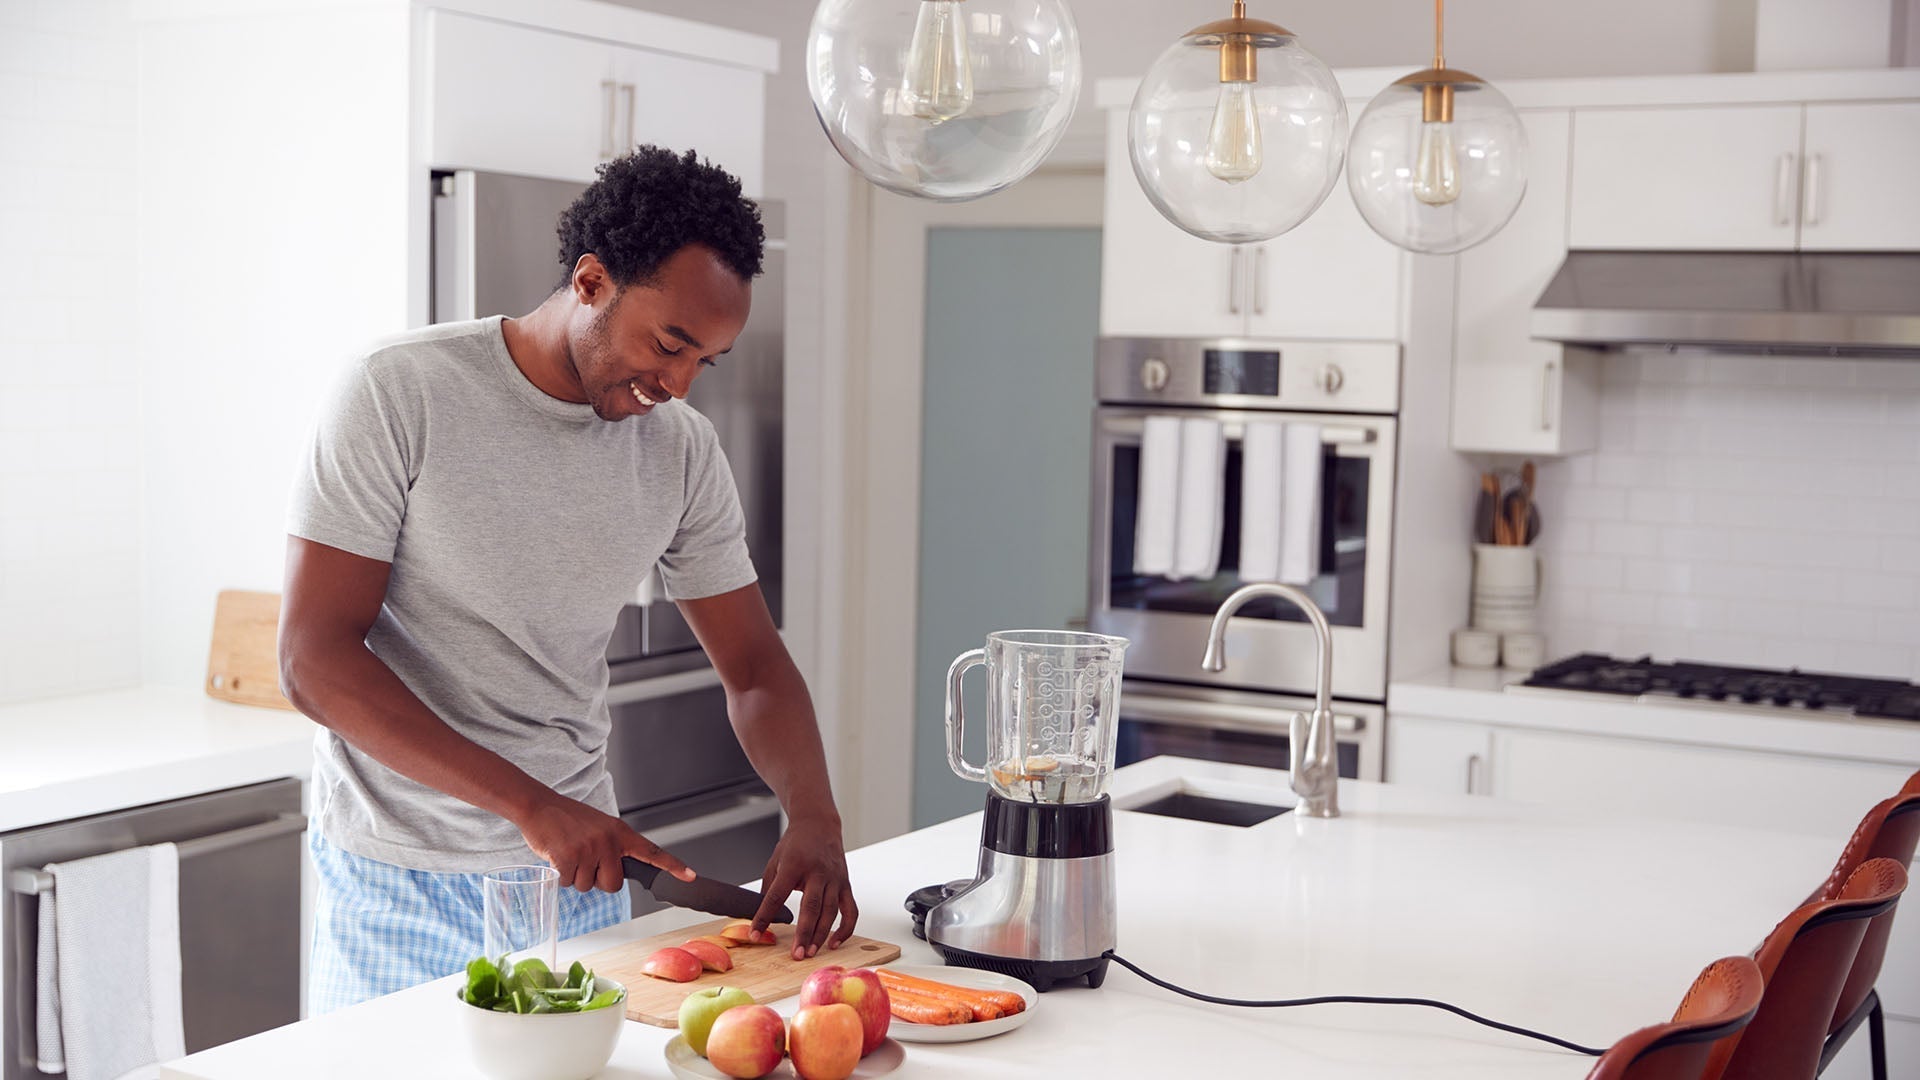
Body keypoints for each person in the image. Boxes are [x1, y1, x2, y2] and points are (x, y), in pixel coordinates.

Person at [280, 146, 853, 1012]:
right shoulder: (399, 392)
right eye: (669, 343)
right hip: (397, 880)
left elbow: (756, 670)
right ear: (590, 281)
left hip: (576, 885)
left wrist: (813, 814)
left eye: (707, 362)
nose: (679, 385)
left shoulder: (681, 453)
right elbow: (314, 661)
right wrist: (530, 806)